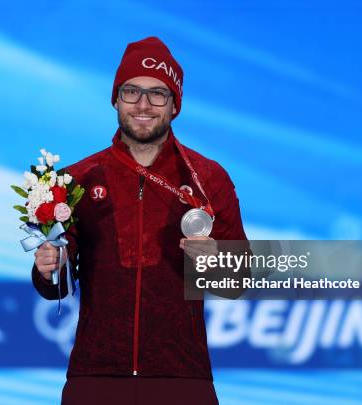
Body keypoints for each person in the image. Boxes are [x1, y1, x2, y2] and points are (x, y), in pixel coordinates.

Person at [32, 36, 248, 405]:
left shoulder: (208, 178)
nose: (143, 105)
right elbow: (58, 286)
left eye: (158, 94)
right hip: (95, 375)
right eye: (131, 91)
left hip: (183, 377)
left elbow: (237, 281)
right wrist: (48, 268)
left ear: (175, 105)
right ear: (116, 98)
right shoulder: (77, 178)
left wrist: (215, 263)